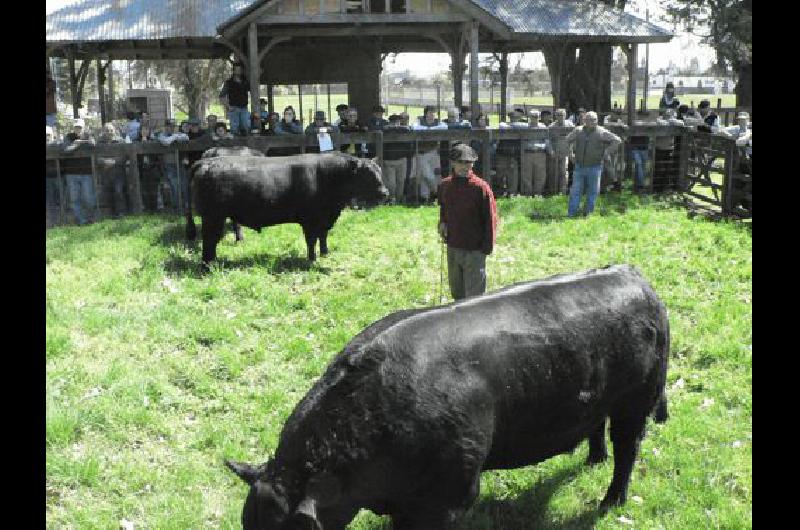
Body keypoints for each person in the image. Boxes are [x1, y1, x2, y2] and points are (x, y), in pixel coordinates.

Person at [437, 143, 498, 301]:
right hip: (453, 247)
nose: (465, 166)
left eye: (469, 163)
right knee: (457, 294)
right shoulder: (445, 185)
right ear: (453, 163)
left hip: (474, 249)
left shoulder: (480, 188)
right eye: (461, 162)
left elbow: (490, 219)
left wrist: (486, 248)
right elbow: (444, 208)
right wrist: (442, 223)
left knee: (474, 299)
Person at [563, 111, 622, 217]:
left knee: (593, 191)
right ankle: (571, 213)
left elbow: (617, 140)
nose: (592, 122)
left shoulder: (601, 132)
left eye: (594, 119)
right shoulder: (578, 130)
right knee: (575, 191)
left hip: (595, 167)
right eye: (590, 119)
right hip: (579, 167)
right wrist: (570, 154)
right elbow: (567, 140)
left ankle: (588, 213)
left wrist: (606, 152)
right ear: (585, 120)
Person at [62, 118, 97, 225]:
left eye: (80, 127)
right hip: (71, 173)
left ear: (83, 127)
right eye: (76, 127)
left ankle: (90, 219)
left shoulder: (88, 135)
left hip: (86, 172)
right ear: (73, 128)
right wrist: (76, 144)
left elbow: (94, 144)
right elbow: (65, 150)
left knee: (89, 198)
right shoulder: (68, 137)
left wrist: (84, 141)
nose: (78, 129)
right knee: (74, 199)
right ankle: (81, 221)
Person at [411, 105, 448, 203]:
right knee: (426, 173)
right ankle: (434, 193)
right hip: (421, 152)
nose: (432, 115)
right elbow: (415, 128)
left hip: (433, 152)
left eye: (433, 113)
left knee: (433, 173)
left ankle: (428, 197)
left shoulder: (439, 123)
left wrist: (430, 129)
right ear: (426, 113)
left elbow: (445, 127)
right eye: (430, 112)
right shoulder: (419, 123)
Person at [157, 119, 190, 212]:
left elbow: (186, 137)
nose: (171, 128)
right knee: (174, 186)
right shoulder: (161, 135)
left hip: (179, 163)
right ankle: (177, 207)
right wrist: (175, 137)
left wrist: (175, 136)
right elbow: (166, 142)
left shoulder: (179, 134)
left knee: (184, 185)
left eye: (173, 126)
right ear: (165, 127)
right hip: (169, 165)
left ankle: (186, 206)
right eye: (169, 126)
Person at [382, 114, 413, 203]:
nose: (396, 124)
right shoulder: (386, 130)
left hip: (401, 159)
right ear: (390, 122)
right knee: (392, 183)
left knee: (401, 182)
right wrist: (393, 128)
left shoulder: (404, 130)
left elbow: (408, 130)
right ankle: (392, 199)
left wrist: (397, 128)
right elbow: (384, 129)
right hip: (389, 161)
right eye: (394, 122)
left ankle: (398, 200)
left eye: (398, 122)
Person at [497, 109, 528, 196]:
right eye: (513, 117)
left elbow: (525, 126)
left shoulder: (522, 125)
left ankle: (512, 193)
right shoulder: (504, 124)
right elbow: (502, 126)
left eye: (517, 117)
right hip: (502, 153)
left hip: (514, 154)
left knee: (513, 175)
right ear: (509, 117)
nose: (515, 118)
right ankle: (501, 192)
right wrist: (515, 126)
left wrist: (516, 125)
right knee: (500, 174)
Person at [522, 109, 548, 196]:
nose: (534, 118)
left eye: (536, 117)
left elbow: (547, 141)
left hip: (540, 153)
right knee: (527, 175)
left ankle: (538, 194)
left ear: (539, 117)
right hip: (527, 153)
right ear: (529, 117)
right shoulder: (524, 127)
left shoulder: (543, 127)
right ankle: (528, 195)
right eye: (532, 116)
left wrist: (549, 149)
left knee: (540, 175)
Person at [547, 108, 574, 195]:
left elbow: (573, 139)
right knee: (553, 173)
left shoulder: (570, 125)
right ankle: (552, 192)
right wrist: (551, 151)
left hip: (565, 153)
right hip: (554, 153)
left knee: (563, 173)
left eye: (562, 115)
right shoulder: (551, 127)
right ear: (555, 116)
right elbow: (548, 140)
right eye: (558, 115)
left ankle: (562, 192)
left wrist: (571, 152)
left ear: (565, 115)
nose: (560, 117)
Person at [219, 63, 250, 136]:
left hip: (244, 108)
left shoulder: (245, 82)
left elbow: (252, 90)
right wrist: (228, 107)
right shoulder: (228, 83)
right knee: (234, 130)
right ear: (233, 71)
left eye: (239, 70)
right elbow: (221, 96)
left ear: (242, 71)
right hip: (234, 109)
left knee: (246, 128)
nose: (238, 71)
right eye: (236, 70)